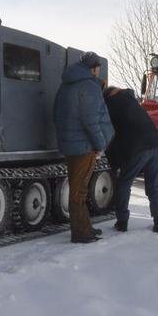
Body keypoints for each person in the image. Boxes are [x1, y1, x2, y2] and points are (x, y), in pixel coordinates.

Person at [53, 52, 114, 243]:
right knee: (79, 191)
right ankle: (80, 233)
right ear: (93, 68)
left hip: (70, 144)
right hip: (84, 146)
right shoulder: (89, 86)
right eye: (97, 69)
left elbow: (56, 113)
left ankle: (85, 226)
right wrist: (100, 144)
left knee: (78, 188)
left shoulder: (66, 85)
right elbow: (91, 121)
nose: (98, 72)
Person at [102, 86, 158, 233]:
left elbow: (112, 135)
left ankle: (122, 222)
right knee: (153, 187)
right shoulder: (132, 101)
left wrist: (113, 161)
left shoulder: (112, 104)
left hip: (138, 148)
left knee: (124, 183)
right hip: (156, 145)